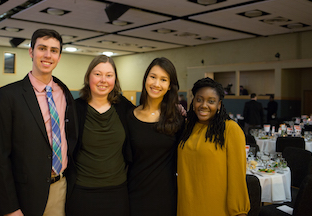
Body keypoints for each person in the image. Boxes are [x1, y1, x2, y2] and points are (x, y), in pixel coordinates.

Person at [0, 29, 78, 216]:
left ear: (59, 56)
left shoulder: (64, 93)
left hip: (60, 188)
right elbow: (0, 157)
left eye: (54, 50)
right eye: (42, 48)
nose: (48, 55)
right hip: (23, 195)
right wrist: (10, 207)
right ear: (31, 51)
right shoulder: (7, 96)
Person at [66, 55, 134, 216]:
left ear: (115, 79)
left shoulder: (125, 108)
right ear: (88, 76)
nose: (103, 80)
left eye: (109, 75)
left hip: (117, 193)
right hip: (82, 193)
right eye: (97, 74)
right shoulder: (74, 109)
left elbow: (148, 119)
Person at [177, 77, 250, 216]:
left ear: (219, 105)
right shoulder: (188, 128)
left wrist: (239, 211)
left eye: (211, 101)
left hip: (215, 208)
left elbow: (237, 177)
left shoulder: (230, 129)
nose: (204, 105)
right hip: (186, 206)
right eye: (199, 99)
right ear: (193, 102)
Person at [127, 57, 184, 216]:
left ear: (170, 86)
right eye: (153, 77)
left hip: (166, 197)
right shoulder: (129, 117)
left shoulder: (177, 119)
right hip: (134, 195)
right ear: (146, 79)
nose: (156, 84)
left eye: (163, 79)